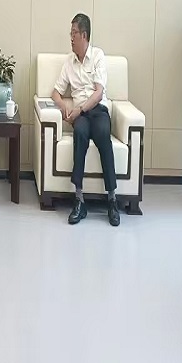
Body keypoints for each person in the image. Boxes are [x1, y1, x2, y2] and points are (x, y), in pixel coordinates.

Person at [51, 13, 119, 227]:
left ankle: (112, 199)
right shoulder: (69, 62)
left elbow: (98, 93)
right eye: (70, 33)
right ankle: (79, 200)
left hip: (97, 110)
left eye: (74, 33)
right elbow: (55, 92)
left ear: (84, 35)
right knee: (79, 134)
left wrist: (79, 109)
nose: (71, 38)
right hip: (80, 115)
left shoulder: (98, 56)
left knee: (103, 135)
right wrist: (64, 107)